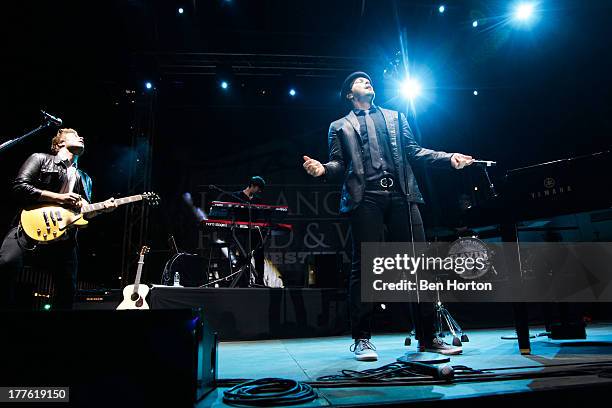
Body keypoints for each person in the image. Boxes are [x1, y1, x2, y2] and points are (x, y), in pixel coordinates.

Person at [302, 71, 474, 361]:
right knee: (365, 266)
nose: (366, 81)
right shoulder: (339, 126)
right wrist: (322, 170)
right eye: (359, 81)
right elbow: (337, 163)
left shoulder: (396, 117)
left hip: (401, 195)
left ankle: (428, 335)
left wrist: (447, 158)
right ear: (349, 94)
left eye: (368, 79)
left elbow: (414, 151)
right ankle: (362, 338)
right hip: (364, 197)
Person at [0, 128, 116, 310]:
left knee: (66, 289)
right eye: (76, 136)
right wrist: (58, 197)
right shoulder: (40, 159)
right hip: (28, 225)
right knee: (6, 263)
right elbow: (20, 187)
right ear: (60, 143)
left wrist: (102, 209)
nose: (82, 137)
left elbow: (82, 213)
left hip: (63, 237)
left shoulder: (85, 178)